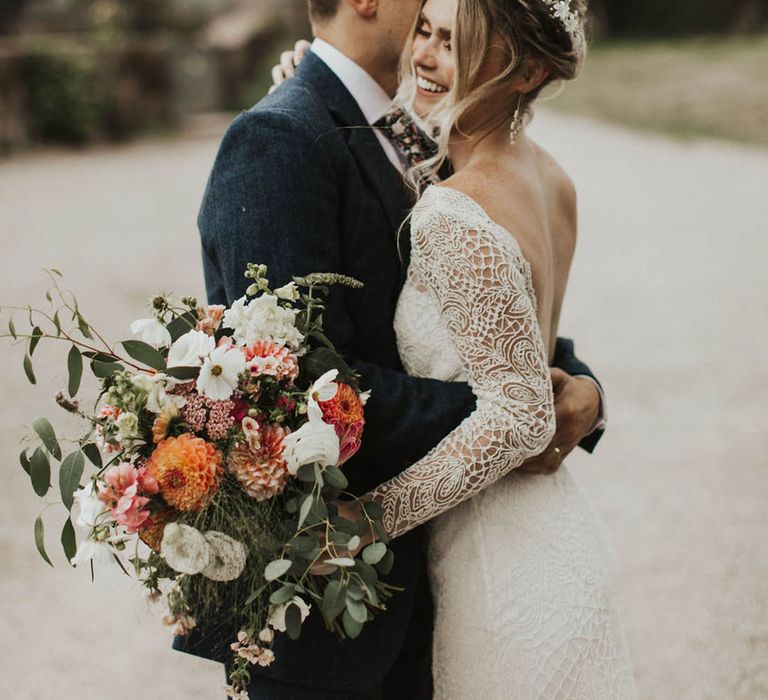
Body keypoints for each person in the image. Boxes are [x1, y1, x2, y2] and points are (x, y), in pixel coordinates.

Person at [192, 0, 608, 697]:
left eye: (450, 36)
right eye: (427, 25)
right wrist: (520, 409)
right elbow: (298, 385)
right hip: (334, 610)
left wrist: (585, 393)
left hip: (441, 571)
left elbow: (494, 313)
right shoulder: (282, 137)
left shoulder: (422, 135)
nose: (429, 35)